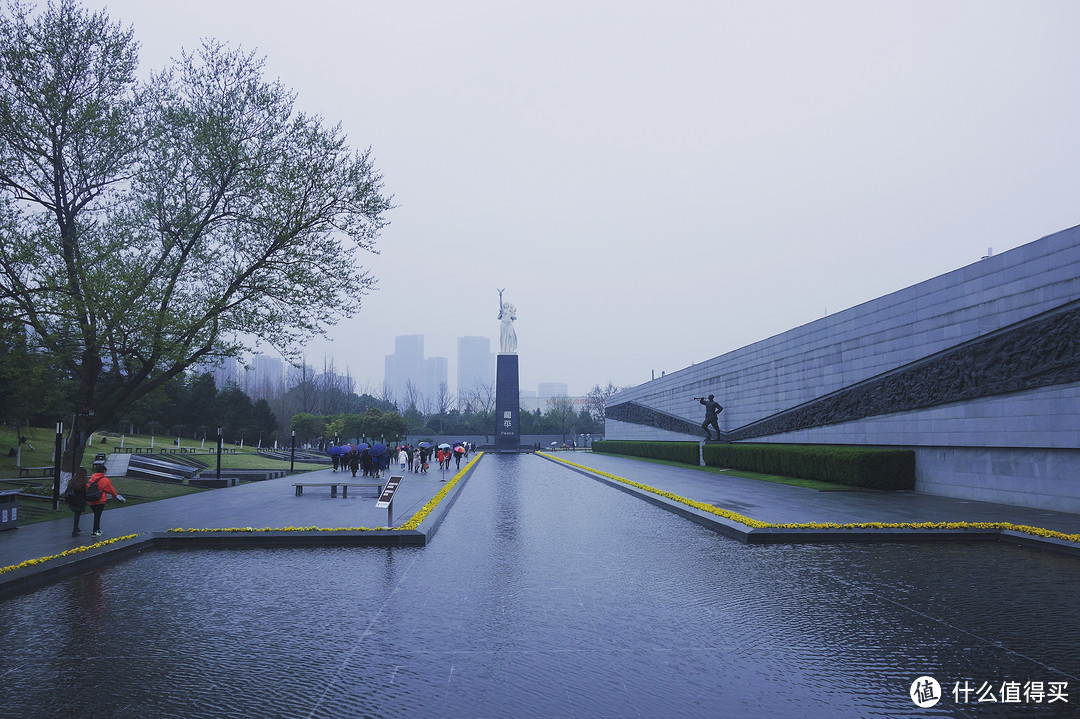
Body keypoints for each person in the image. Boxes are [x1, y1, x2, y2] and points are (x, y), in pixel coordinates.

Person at [87, 462, 125, 537]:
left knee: (96, 515)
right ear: (103, 471)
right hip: (100, 500)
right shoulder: (105, 480)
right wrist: (115, 496)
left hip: (91, 500)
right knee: (97, 515)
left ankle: (97, 529)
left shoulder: (92, 479)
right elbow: (111, 489)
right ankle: (95, 531)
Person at [63, 466, 88, 536]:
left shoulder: (72, 481)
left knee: (76, 514)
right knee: (77, 514)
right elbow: (84, 493)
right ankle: (75, 529)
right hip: (79, 501)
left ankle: (76, 528)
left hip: (72, 500)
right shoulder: (83, 482)